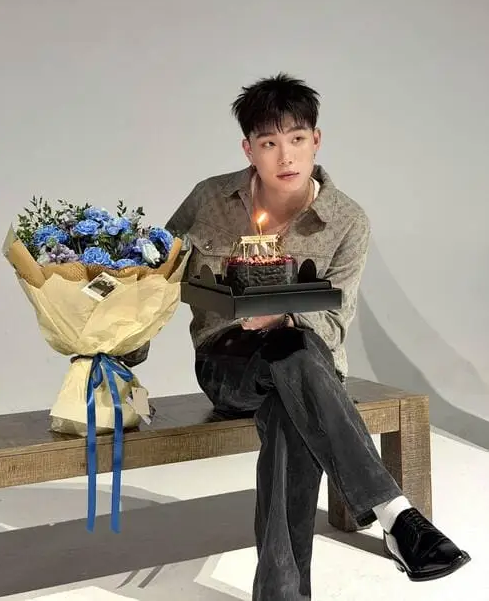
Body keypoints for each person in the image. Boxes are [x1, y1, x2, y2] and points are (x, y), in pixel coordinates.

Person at [129, 74, 470, 600]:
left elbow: (334, 323)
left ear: (317, 140)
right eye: (269, 143)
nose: (285, 155)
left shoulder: (347, 221)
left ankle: (282, 593)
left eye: (296, 139)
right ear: (249, 149)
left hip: (309, 371)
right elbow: (154, 278)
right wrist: (123, 360)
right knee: (296, 360)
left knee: (293, 389)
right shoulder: (210, 200)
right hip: (229, 365)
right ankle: (395, 515)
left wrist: (284, 318)